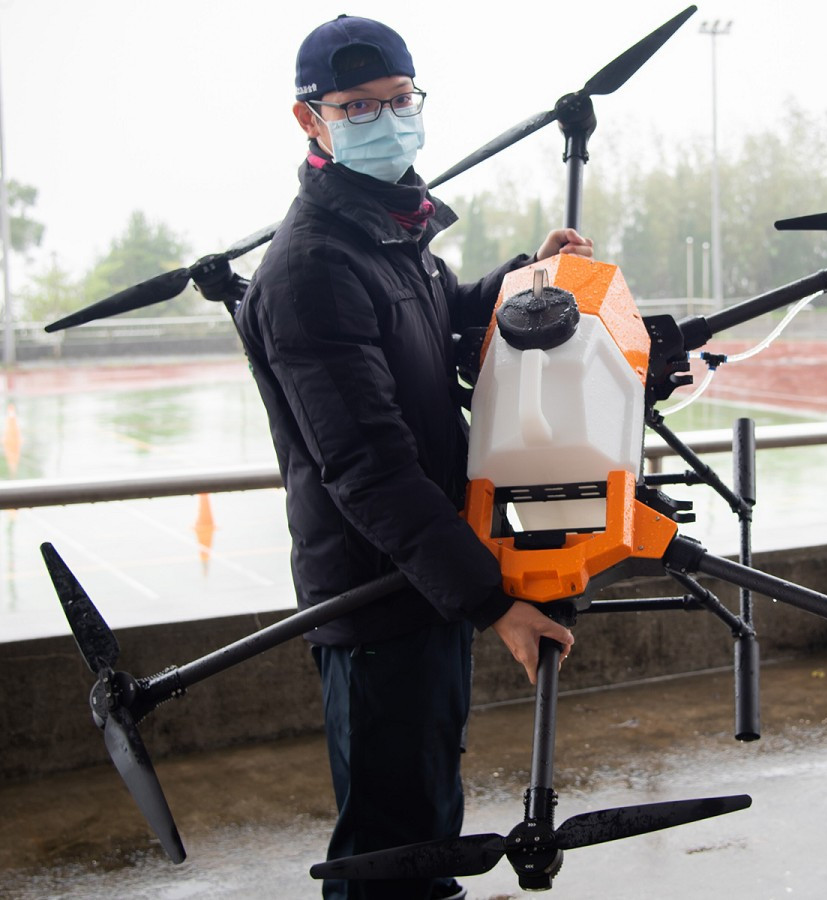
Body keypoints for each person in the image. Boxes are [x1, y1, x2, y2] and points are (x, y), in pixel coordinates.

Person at [234, 15, 589, 900]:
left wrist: (523, 278)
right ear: (310, 119)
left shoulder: (387, 236)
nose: (386, 120)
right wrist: (489, 603)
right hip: (378, 590)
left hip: (424, 571)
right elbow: (367, 467)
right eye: (358, 106)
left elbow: (437, 321)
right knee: (392, 846)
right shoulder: (313, 267)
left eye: (399, 101)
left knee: (426, 807)